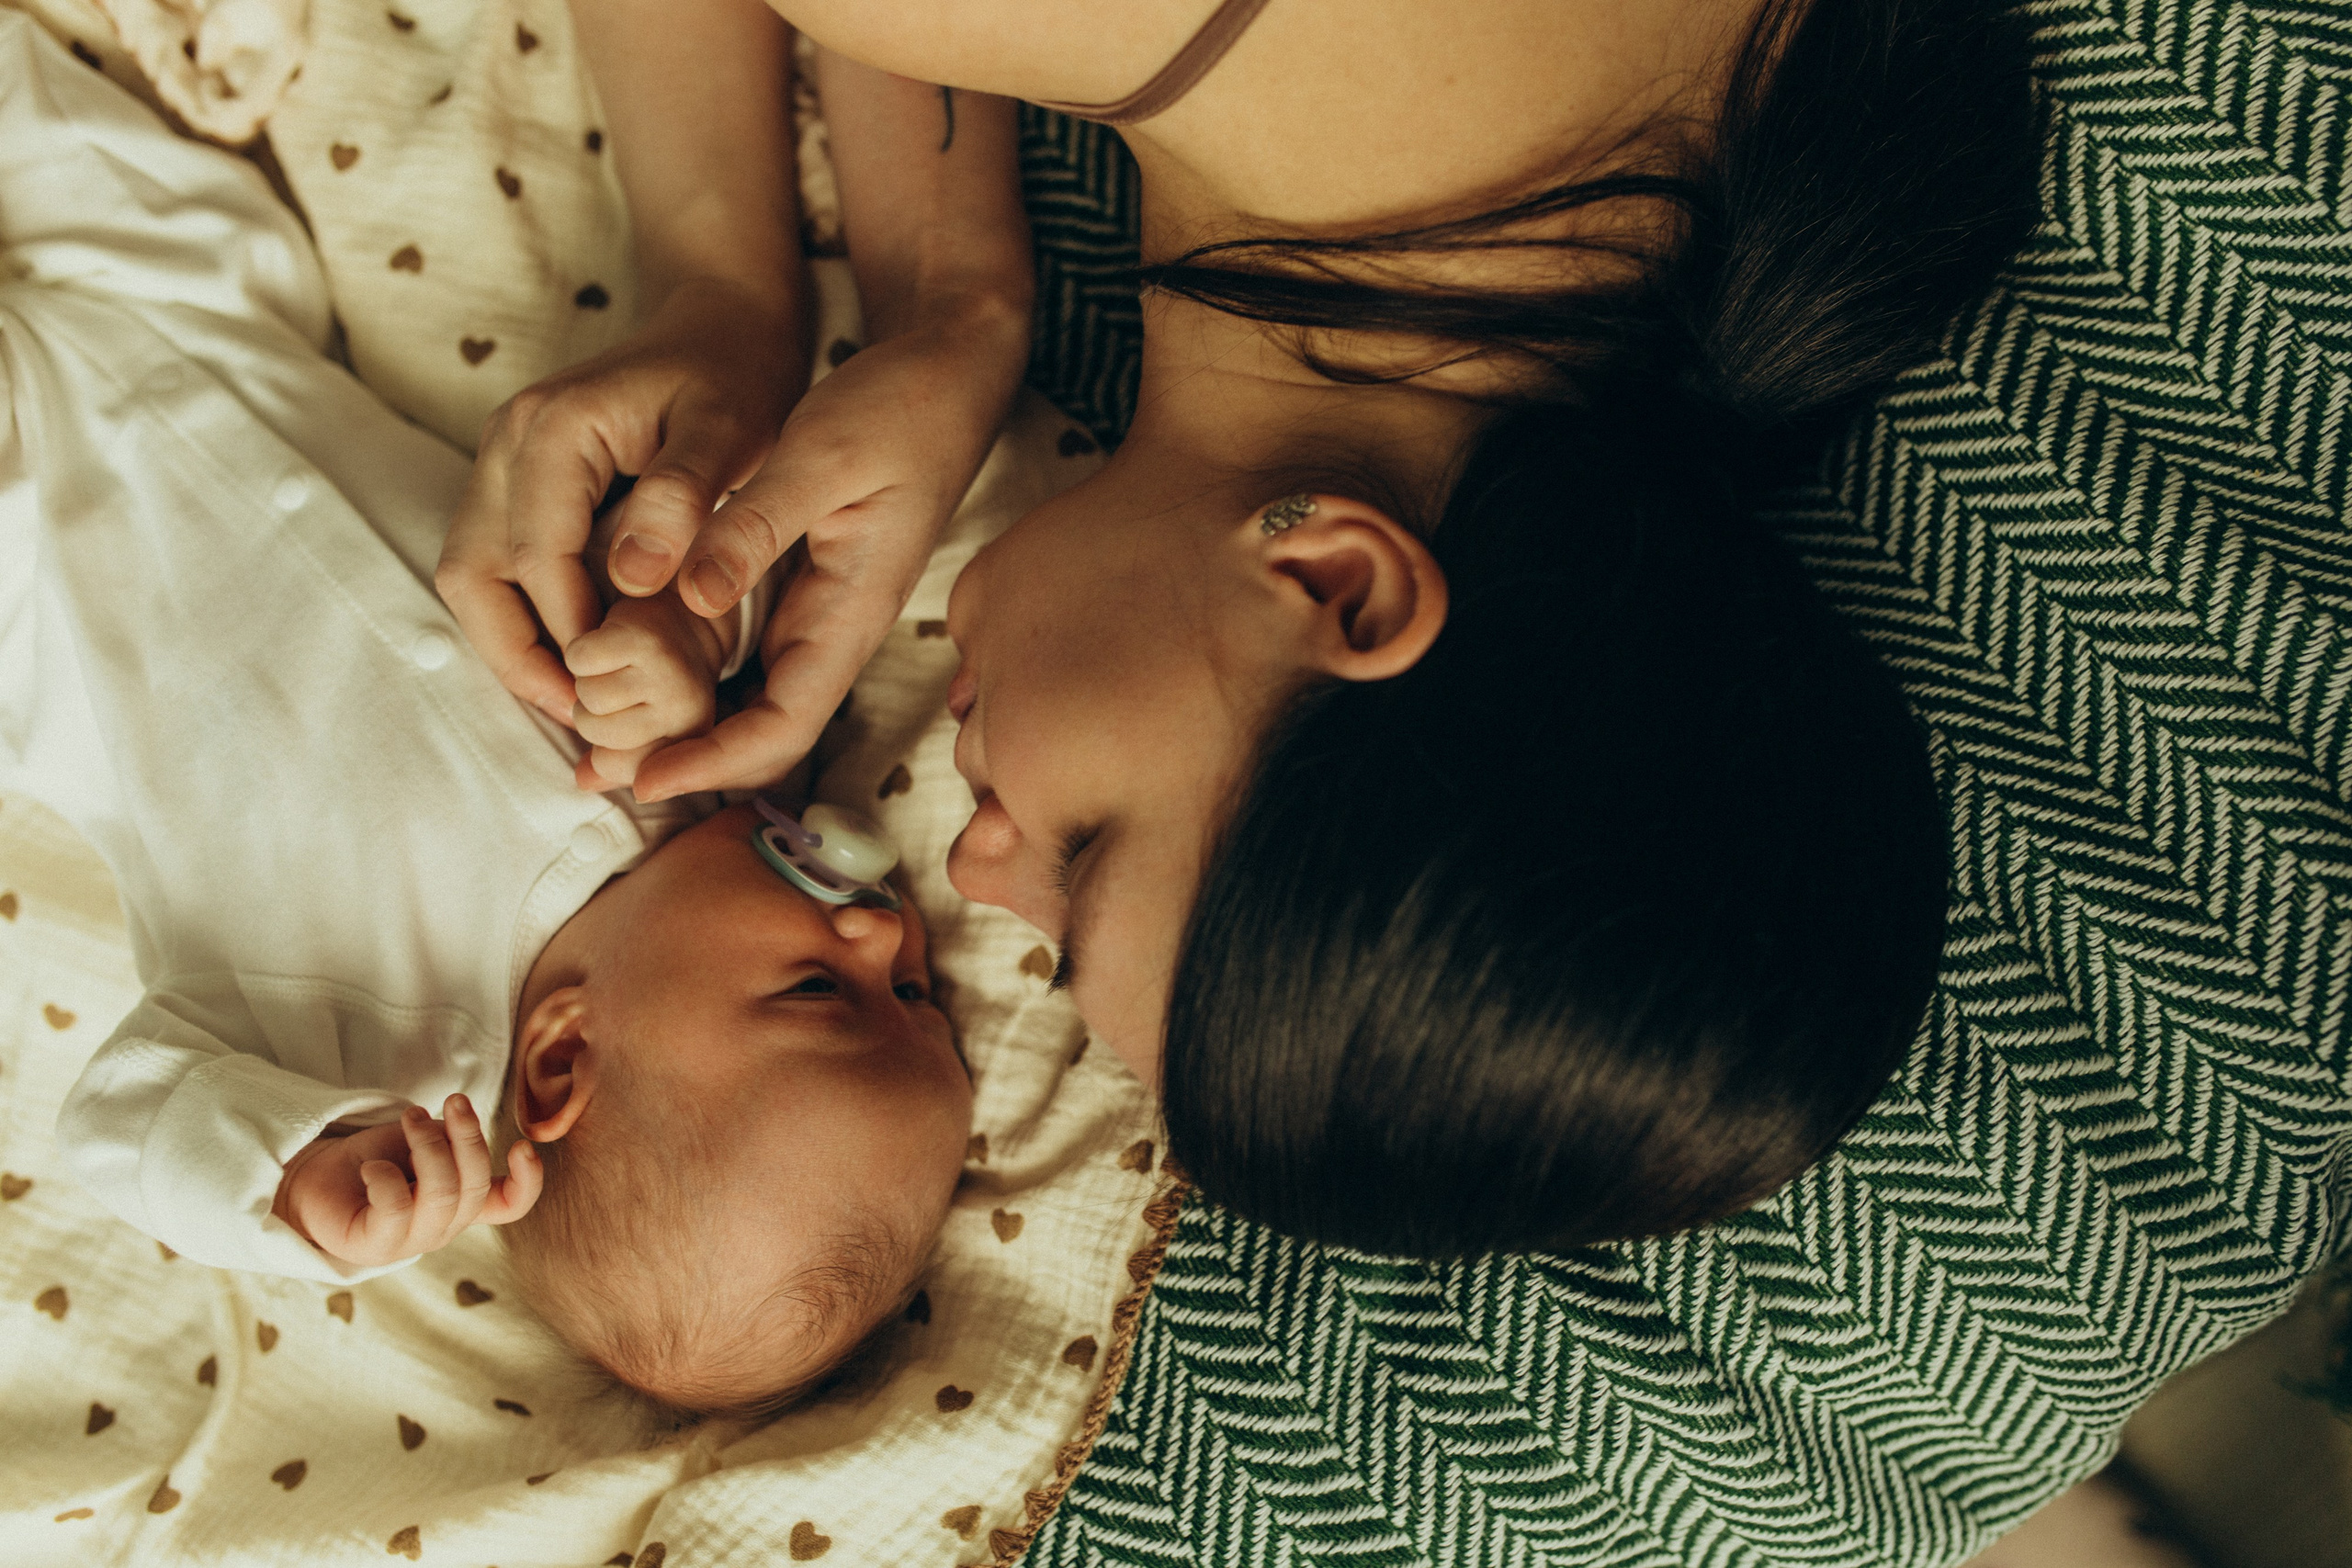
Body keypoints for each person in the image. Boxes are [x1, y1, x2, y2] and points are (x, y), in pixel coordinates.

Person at [441, 0, 2042, 1256]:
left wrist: (901, 299)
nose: (976, 874)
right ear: (1338, 586)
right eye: (1090, 859)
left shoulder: (1718, 133)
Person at [0, 16, 970, 1416]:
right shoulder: (719, 753)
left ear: (564, 1054)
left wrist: (289, 1180)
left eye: (827, 992)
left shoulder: (369, 1052)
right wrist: (678, 624)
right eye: (921, 994)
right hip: (192, 300)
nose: (887, 931)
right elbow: (697, 559)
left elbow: (124, 1122)